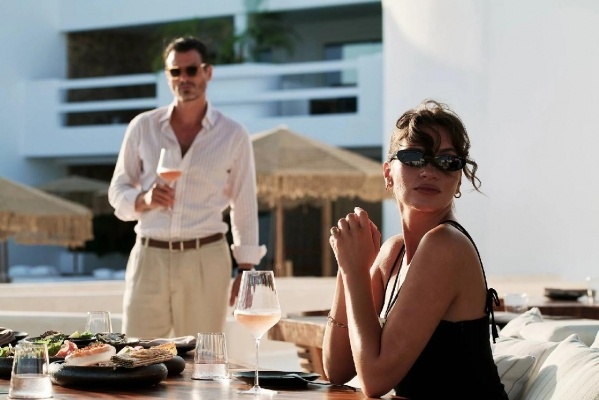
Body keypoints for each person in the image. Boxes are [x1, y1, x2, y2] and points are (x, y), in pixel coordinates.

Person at [323, 99, 508, 399]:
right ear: (388, 173)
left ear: (458, 179)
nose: (429, 171)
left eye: (447, 161)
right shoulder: (393, 253)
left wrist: (355, 272)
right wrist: (347, 268)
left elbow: (374, 380)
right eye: (414, 157)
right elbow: (337, 368)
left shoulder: (446, 246)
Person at [108, 36, 266, 338]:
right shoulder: (143, 126)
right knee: (135, 352)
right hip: (149, 257)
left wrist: (246, 268)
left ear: (208, 72)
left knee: (202, 357)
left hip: (205, 258)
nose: (183, 78)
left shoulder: (233, 134)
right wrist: (144, 199)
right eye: (175, 72)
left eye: (191, 70)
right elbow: (117, 190)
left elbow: (244, 202)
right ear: (168, 76)